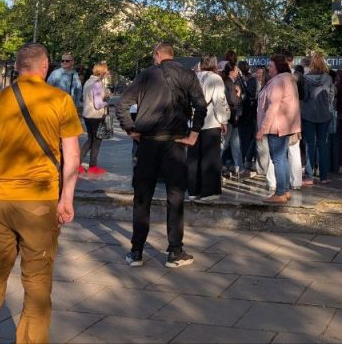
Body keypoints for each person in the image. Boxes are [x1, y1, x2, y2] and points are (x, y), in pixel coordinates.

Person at [0, 43, 83, 343]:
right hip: (39, 202)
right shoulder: (60, 100)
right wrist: (66, 199)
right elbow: (72, 156)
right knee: (38, 281)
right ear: (45, 67)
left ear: (17, 68)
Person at [117, 42, 205, 268]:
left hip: (148, 142)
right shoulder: (187, 75)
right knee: (175, 197)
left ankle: (136, 251)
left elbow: (122, 104)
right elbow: (201, 106)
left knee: (142, 197)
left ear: (158, 54)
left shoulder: (146, 75)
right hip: (175, 143)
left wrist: (130, 129)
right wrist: (194, 134)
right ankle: (175, 251)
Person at [256, 54, 301, 203]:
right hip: (286, 124)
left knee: (278, 159)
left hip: (276, 126)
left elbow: (272, 107)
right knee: (282, 158)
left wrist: (262, 128)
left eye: (271, 66)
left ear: (278, 67)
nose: (268, 68)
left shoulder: (278, 81)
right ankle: (285, 190)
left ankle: (280, 192)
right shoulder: (289, 79)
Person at [188, 54, 230, 201]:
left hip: (193, 122)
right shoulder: (215, 78)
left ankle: (193, 190)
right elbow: (219, 101)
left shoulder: (194, 77)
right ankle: (209, 191)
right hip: (210, 121)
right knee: (210, 157)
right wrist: (224, 120)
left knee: (194, 158)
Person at [300, 53, 335, 184]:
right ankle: (323, 176)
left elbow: (305, 96)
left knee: (310, 145)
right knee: (322, 145)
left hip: (308, 114)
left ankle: (309, 176)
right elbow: (331, 96)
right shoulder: (328, 78)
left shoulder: (306, 78)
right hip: (324, 114)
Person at [79, 62, 110, 174]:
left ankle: (77, 163)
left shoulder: (88, 81)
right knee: (96, 141)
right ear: (102, 72)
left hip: (87, 115)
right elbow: (98, 104)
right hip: (96, 116)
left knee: (90, 140)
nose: (107, 73)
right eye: (106, 71)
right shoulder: (97, 83)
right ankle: (93, 167)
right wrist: (106, 102)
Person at [221, 61, 245, 177]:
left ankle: (239, 167)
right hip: (230, 118)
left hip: (231, 118)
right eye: (236, 70)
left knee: (235, 143)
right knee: (225, 144)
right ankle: (214, 164)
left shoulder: (227, 82)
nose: (238, 72)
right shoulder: (229, 83)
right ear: (231, 72)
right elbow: (233, 100)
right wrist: (239, 94)